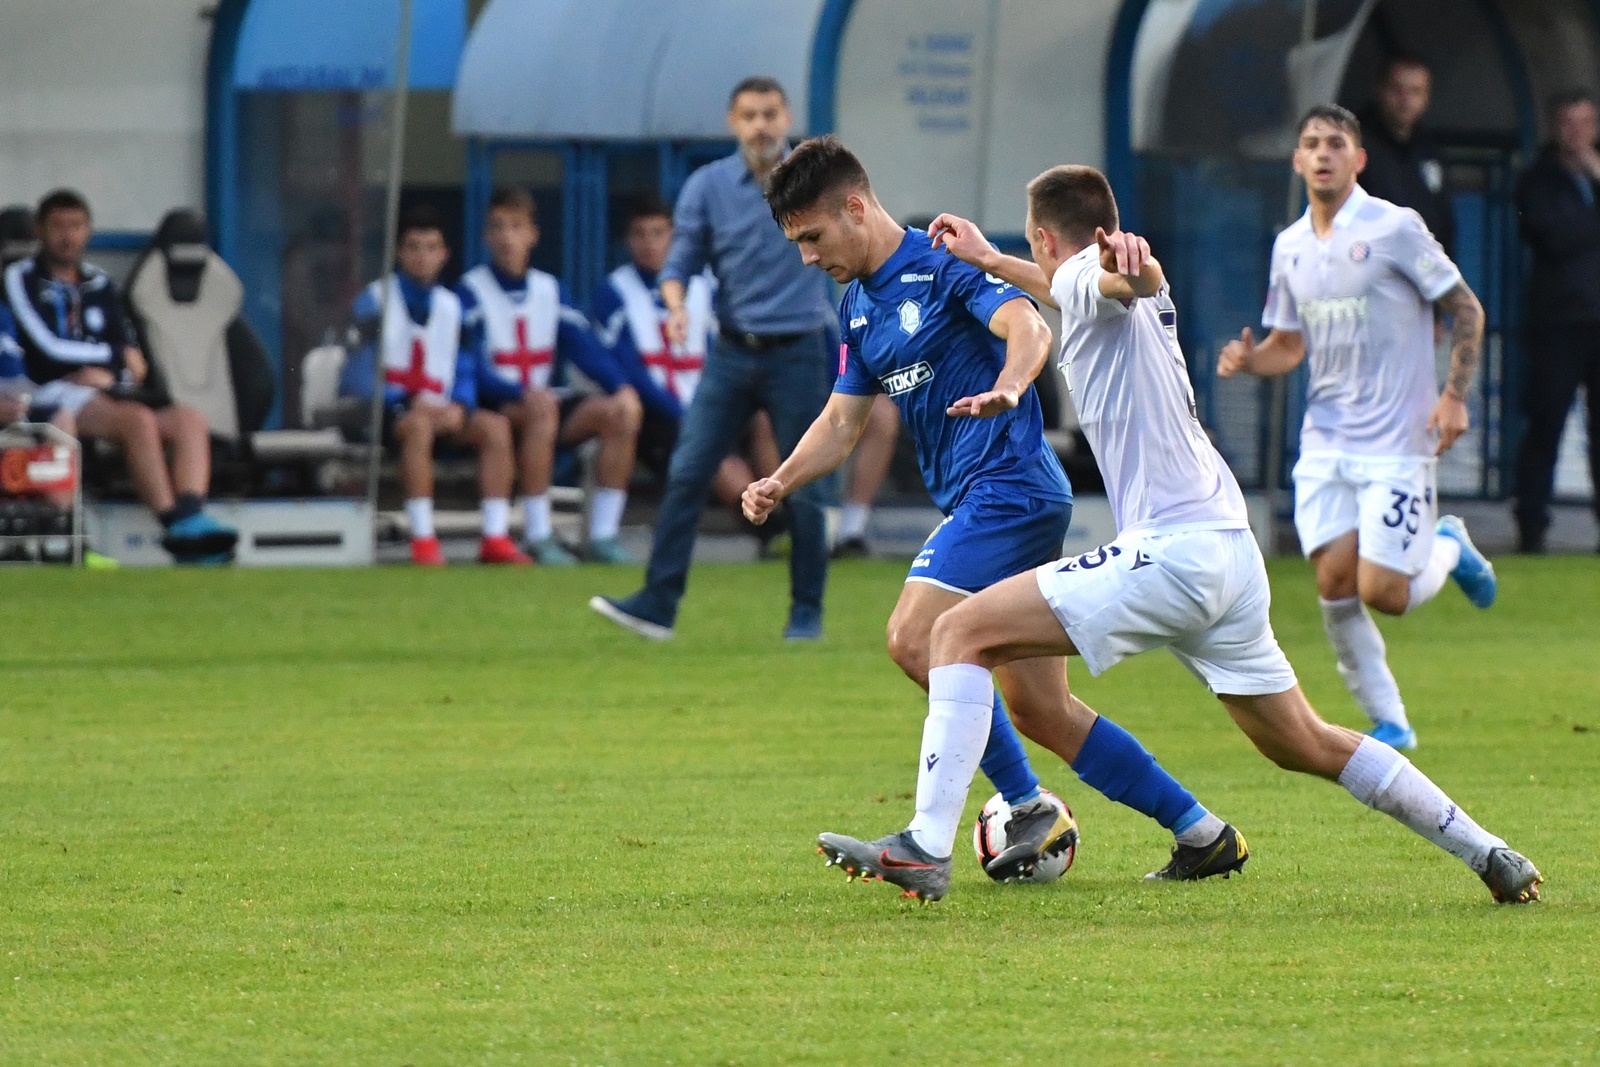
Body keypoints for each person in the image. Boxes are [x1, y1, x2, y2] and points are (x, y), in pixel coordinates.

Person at [815, 163, 1542, 907]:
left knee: (956, 632)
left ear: (1044, 236)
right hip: (1231, 550)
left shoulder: (1096, 279)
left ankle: (927, 846)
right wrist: (997, 258)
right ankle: (1487, 849)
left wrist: (1131, 260)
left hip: (1173, 551)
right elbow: (1099, 284)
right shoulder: (1115, 292)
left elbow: (1109, 280)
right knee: (1305, 740)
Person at [751, 135, 1245, 884]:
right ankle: (1203, 833)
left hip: (1009, 488)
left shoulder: (942, 263)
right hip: (990, 497)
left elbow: (1031, 326)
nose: (808, 257)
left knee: (917, 636)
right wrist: (779, 480)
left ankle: (972, 824)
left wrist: (1014, 386)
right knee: (1042, 709)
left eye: (813, 237)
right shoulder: (857, 307)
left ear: (855, 206)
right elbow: (844, 420)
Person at [1216, 105, 1495, 752]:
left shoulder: (1394, 227)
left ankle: (1447, 545)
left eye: (1335, 143)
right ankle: (1391, 721)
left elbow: (1465, 307)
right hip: (1326, 442)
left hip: (1398, 440)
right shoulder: (1289, 246)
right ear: (1296, 159)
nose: (1322, 154)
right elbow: (1290, 344)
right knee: (1334, 585)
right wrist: (1252, 360)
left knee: (1385, 592)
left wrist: (1454, 396)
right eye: (1311, 143)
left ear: (1358, 159)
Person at [590, 76, 836, 642]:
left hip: (798, 349)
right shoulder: (707, 186)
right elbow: (678, 266)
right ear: (732, 123)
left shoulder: (814, 183)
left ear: (788, 117)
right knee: (687, 470)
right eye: (749, 115)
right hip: (731, 350)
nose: (761, 126)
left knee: (806, 484)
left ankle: (806, 613)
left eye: (771, 114)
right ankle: (657, 604)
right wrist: (675, 308)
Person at [2, 189, 237, 563]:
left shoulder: (100, 282)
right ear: (40, 232)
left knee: (189, 419)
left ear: (88, 230)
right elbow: (45, 346)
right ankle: (171, 523)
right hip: (53, 389)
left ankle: (192, 515)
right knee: (136, 420)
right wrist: (111, 359)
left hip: (105, 389)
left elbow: (135, 359)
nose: (68, 236)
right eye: (58, 226)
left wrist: (109, 372)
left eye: (76, 226)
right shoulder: (21, 278)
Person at [457, 188, 645, 565]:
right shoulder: (470, 291)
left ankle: (603, 536)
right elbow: (470, 365)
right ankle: (538, 534)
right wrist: (515, 392)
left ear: (533, 235)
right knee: (542, 407)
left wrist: (621, 387)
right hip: (496, 405)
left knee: (621, 412)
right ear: (486, 237)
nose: (507, 237)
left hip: (540, 404)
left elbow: (583, 345)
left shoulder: (550, 289)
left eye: (516, 226)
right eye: (498, 228)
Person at [590, 199, 784, 550]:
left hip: (708, 403)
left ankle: (787, 513)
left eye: (658, 233)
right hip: (657, 416)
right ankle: (772, 529)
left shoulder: (703, 287)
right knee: (713, 452)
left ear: (674, 237)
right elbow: (626, 369)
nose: (649, 242)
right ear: (627, 241)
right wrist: (687, 413)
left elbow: (727, 350)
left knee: (765, 418)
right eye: (639, 234)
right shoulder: (614, 292)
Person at [342, 206, 526, 567]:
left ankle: (495, 537)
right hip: (386, 414)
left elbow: (466, 366)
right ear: (398, 252)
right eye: (413, 247)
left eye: (431, 247)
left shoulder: (452, 305)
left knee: (495, 428)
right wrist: (406, 400)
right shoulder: (374, 300)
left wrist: (460, 404)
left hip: (441, 412)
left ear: (444, 255)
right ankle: (424, 540)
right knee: (418, 426)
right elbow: (356, 374)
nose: (422, 256)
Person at [1512, 89, 1600, 554]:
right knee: (1545, 425)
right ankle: (1531, 528)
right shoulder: (1536, 180)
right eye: (1568, 123)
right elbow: (1553, 237)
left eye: (1585, 123)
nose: (1577, 134)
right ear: (1553, 126)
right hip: (1557, 324)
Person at [1358, 54, 1455, 256]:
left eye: (1415, 92)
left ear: (1427, 97)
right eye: (1397, 90)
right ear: (1380, 89)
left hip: (1422, 270)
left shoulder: (1429, 149)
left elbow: (1443, 220)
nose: (1405, 100)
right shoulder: (1355, 143)